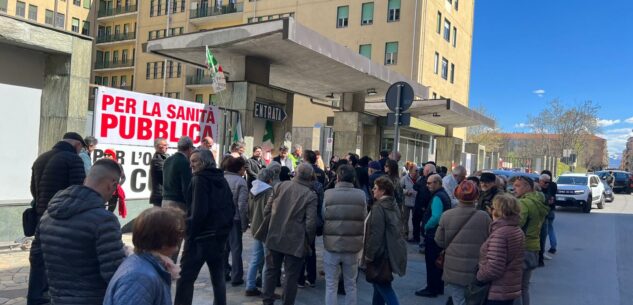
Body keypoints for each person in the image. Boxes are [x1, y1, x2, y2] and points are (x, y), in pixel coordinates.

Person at [37, 159, 126, 305]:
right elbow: (114, 273)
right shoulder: (104, 220)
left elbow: (38, 258)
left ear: (86, 179)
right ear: (113, 185)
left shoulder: (49, 213)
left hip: (57, 298)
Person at [28, 132, 87, 305]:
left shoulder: (41, 158)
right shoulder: (72, 159)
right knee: (62, 262)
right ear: (77, 145)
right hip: (63, 218)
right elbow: (78, 190)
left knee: (39, 259)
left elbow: (33, 189)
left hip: (41, 216)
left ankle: (35, 298)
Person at [175, 149, 235, 305]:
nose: (191, 165)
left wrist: (189, 234)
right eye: (190, 161)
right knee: (218, 278)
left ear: (204, 161)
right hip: (218, 238)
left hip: (200, 238)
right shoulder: (220, 178)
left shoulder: (199, 180)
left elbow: (198, 212)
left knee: (185, 279)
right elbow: (230, 208)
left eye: (194, 161)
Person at [258, 164, 318, 305]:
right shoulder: (310, 195)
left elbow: (267, 210)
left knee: (271, 271)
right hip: (295, 240)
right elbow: (311, 223)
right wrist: (308, 241)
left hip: (275, 235)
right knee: (291, 276)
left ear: (295, 173)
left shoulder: (280, 186)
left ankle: (267, 301)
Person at [104, 207, 185, 305]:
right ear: (163, 240)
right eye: (178, 233)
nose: (180, 237)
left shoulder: (145, 265)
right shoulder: (140, 277)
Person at [434, 180, 491, 305]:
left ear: (456, 195)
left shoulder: (446, 215)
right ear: (476, 196)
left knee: (458, 299)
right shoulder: (485, 217)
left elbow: (439, 241)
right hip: (476, 268)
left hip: (454, 268)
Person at [322, 165, 367, 305]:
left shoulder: (328, 194)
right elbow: (363, 215)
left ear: (338, 177)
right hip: (353, 246)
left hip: (332, 244)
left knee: (330, 284)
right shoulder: (361, 195)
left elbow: (324, 215)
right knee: (351, 284)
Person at [363, 176, 407, 305]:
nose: (372, 190)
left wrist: (369, 255)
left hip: (380, 254)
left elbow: (376, 234)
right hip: (389, 251)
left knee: (383, 286)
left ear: (383, 191)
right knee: (379, 286)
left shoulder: (379, 208)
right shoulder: (393, 205)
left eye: (375, 188)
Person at [477, 194, 525, 305]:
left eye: (492, 207)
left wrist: (479, 277)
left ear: (498, 211)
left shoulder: (501, 233)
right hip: (508, 286)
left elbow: (494, 267)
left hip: (497, 289)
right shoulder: (516, 229)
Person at [511, 175, 549, 305]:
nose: (513, 188)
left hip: (522, 247)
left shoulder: (523, 203)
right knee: (524, 287)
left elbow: (516, 224)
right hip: (533, 246)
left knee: (515, 288)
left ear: (527, 187)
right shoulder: (538, 200)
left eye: (517, 186)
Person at [416, 174, 452, 298]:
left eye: (430, 183)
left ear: (438, 183)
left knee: (432, 262)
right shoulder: (443, 195)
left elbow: (436, 217)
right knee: (437, 263)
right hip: (440, 233)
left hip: (434, 234)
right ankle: (438, 287)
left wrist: (425, 226)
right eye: (427, 183)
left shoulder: (438, 197)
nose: (427, 185)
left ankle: (431, 289)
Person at [298, 150, 326, 288]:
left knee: (298, 248)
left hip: (299, 219)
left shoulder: (297, 184)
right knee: (311, 248)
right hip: (313, 219)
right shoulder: (319, 184)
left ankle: (299, 278)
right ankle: (312, 277)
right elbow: (321, 203)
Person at [245, 168, 275, 296]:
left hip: (255, 226)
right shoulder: (269, 191)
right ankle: (266, 289)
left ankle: (250, 286)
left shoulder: (252, 190)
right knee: (268, 261)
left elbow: (248, 209)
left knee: (255, 258)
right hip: (266, 228)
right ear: (269, 179)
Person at [222, 156, 249, 286]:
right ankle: (236, 276)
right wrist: (244, 223)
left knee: (224, 248)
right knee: (236, 248)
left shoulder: (221, 178)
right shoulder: (241, 182)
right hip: (235, 218)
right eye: (244, 168)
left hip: (221, 218)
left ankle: (223, 273)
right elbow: (242, 205)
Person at [162, 136, 195, 212]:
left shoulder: (168, 160)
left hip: (164, 201)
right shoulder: (185, 162)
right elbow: (186, 186)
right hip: (178, 203)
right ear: (190, 148)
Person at [411, 163, 436, 244]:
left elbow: (418, 189)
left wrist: (423, 206)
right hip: (425, 205)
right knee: (419, 222)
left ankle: (420, 239)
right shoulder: (428, 178)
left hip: (423, 206)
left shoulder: (427, 179)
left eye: (424, 169)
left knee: (421, 222)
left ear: (427, 170)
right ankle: (420, 239)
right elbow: (416, 187)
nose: (422, 171)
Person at [103, 149, 127, 216]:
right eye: (105, 155)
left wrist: (117, 185)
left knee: (110, 212)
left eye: (109, 155)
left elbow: (123, 178)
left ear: (113, 156)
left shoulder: (118, 165)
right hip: (103, 191)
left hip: (113, 192)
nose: (106, 156)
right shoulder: (101, 164)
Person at [541, 170, 558, 255]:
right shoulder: (554, 185)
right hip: (551, 209)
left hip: (545, 210)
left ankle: (541, 249)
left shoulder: (542, 186)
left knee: (543, 230)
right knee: (550, 228)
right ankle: (553, 246)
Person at [401, 164, 419, 239]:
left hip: (416, 202)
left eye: (418, 171)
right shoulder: (404, 178)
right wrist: (406, 192)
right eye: (416, 171)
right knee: (405, 218)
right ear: (410, 171)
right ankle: (405, 233)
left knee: (415, 219)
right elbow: (399, 188)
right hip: (406, 201)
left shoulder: (420, 179)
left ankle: (415, 234)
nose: (417, 172)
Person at [149, 138, 168, 207]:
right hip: (160, 196)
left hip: (162, 195)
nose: (167, 147)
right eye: (164, 145)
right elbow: (167, 174)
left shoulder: (163, 157)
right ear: (158, 147)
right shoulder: (157, 159)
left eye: (167, 145)